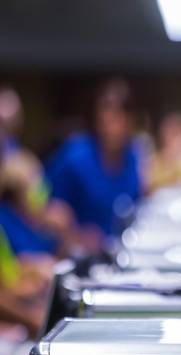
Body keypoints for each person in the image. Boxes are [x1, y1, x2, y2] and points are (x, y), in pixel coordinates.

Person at [45, 79, 143, 242]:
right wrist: (73, 235)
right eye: (106, 113)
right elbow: (43, 207)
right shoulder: (75, 156)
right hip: (78, 255)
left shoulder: (133, 157)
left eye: (119, 115)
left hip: (121, 250)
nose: (112, 123)